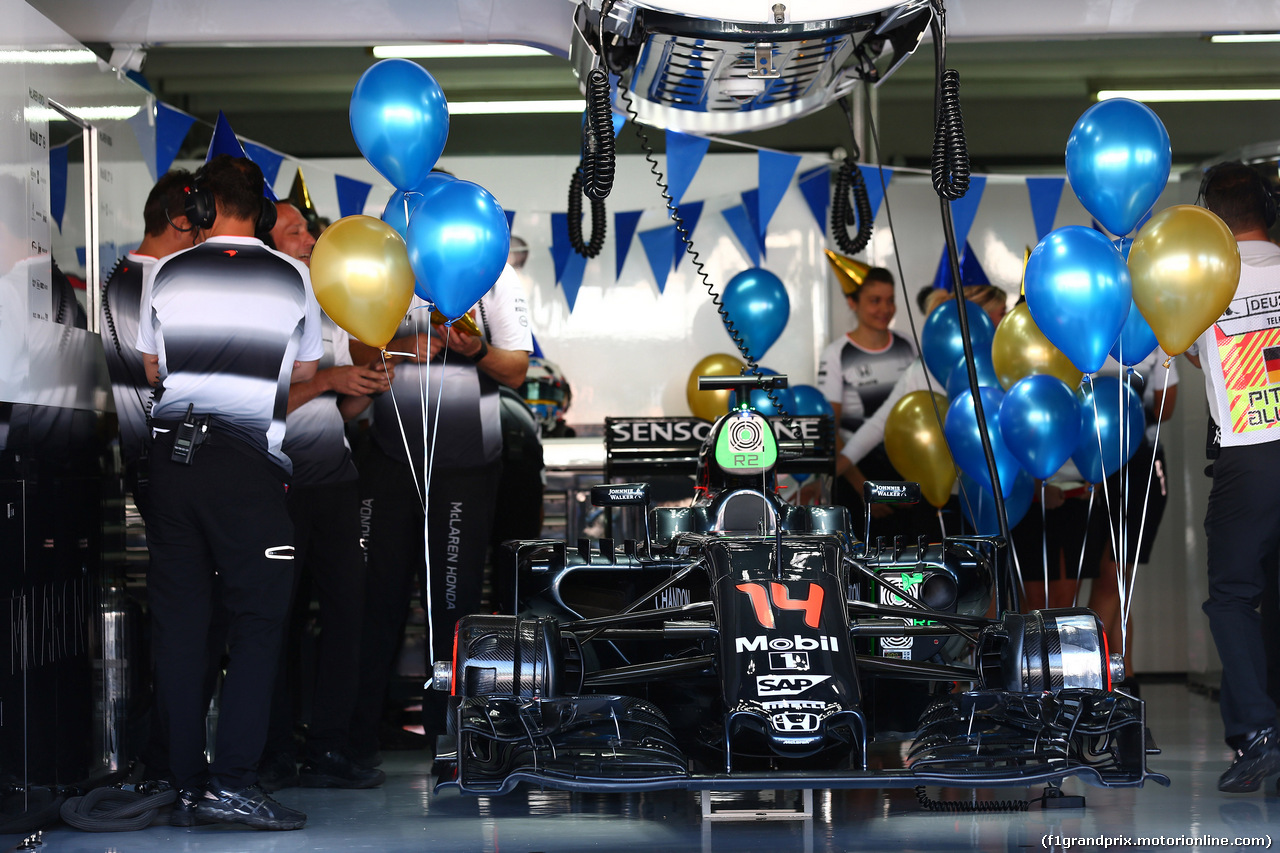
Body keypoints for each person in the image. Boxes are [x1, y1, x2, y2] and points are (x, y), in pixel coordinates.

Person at [137, 155, 322, 829]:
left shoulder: (170, 271)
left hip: (172, 460)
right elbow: (305, 371)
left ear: (204, 209)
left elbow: (152, 366)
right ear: (265, 214)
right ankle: (234, 782)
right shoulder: (292, 276)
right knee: (257, 622)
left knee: (181, 627)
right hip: (246, 466)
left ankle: (182, 782)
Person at [349, 264, 532, 765]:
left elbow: (516, 370)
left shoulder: (491, 272)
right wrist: (403, 345)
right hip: (390, 457)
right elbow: (357, 350)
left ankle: (450, 739)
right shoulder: (385, 265)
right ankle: (356, 739)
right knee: (374, 600)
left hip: (465, 465)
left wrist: (476, 350)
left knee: (453, 605)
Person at [257, 201, 390, 791]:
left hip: (335, 479)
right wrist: (329, 380)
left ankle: (331, 746)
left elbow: (340, 407)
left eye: (310, 231)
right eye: (297, 231)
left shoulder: (329, 302)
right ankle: (275, 750)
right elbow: (257, 405)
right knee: (274, 620)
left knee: (346, 614)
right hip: (276, 481)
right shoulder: (259, 306)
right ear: (268, 241)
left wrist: (364, 385)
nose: (311, 239)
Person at [1184, 161, 1280, 793]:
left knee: (1233, 597)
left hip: (1250, 458)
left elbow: (1150, 350)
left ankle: (1259, 731)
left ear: (1212, 219)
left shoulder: (1205, 283)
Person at [832, 284, 1009, 539]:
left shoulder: (1001, 363)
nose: (1006, 319)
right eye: (1001, 312)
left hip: (992, 495)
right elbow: (880, 424)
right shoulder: (922, 369)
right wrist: (834, 470)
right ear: (980, 316)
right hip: (942, 498)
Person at [100, 170, 195, 516]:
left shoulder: (124, 274)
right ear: (182, 223)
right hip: (167, 456)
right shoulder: (160, 282)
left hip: (142, 454)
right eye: (202, 224)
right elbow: (167, 373)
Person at [816, 267, 917, 538]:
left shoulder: (908, 345)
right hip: (857, 473)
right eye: (875, 300)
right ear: (853, 302)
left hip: (905, 471)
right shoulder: (837, 354)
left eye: (890, 299)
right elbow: (830, 430)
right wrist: (863, 487)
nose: (885, 308)